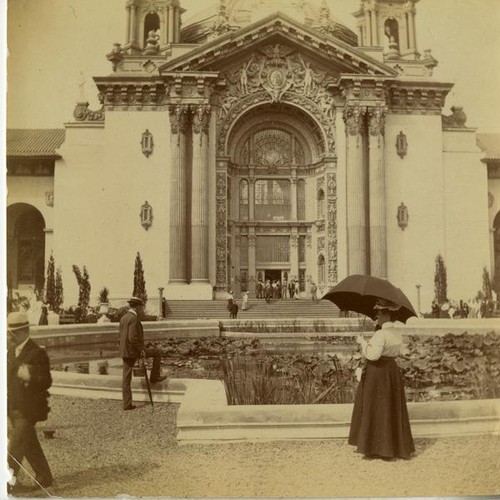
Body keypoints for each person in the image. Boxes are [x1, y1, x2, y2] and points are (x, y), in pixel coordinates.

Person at [348, 298, 415, 460]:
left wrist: (363, 343)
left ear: (387, 315)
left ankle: (375, 447)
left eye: (379, 313)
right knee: (388, 406)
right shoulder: (397, 332)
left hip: (378, 372)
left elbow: (373, 355)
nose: (377, 315)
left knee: (375, 406)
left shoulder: (380, 334)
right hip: (391, 371)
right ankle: (392, 446)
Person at [7, 311, 53, 493]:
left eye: (12, 334)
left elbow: (47, 380)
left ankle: (7, 483)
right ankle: (45, 476)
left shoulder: (37, 353)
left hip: (29, 409)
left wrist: (31, 375)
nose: (9, 337)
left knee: (16, 445)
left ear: (23, 332)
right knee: (29, 443)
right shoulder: (10, 351)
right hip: (12, 407)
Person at [119, 297, 166, 411]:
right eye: (141, 307)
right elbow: (132, 338)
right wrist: (141, 350)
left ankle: (127, 404)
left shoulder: (124, 318)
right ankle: (154, 377)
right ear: (137, 307)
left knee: (126, 378)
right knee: (158, 352)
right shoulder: (134, 319)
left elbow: (123, 336)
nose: (142, 310)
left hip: (125, 351)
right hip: (133, 351)